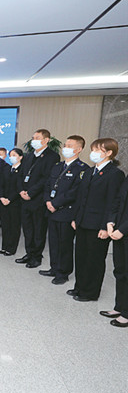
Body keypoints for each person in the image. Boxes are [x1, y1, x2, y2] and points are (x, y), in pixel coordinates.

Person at [68, 138, 124, 302]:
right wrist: (76, 218)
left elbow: (112, 202)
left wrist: (106, 227)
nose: (93, 153)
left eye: (98, 150)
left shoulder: (115, 174)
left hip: (99, 225)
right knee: (81, 256)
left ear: (109, 153)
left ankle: (90, 292)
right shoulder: (89, 171)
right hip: (83, 221)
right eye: (93, 149)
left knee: (94, 260)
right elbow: (80, 197)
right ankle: (79, 287)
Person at [40, 136, 88, 285]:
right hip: (52, 210)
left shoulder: (82, 169)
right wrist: (48, 201)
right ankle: (54, 268)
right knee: (53, 242)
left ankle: (63, 272)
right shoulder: (57, 166)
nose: (65, 148)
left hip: (66, 212)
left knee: (64, 244)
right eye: (65, 145)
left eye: (70, 145)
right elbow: (48, 185)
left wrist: (55, 203)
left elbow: (75, 192)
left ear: (79, 149)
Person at [16, 129, 60, 269]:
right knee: (27, 229)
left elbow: (46, 178)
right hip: (24, 199)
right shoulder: (28, 156)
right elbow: (21, 175)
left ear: (46, 140)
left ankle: (36, 257)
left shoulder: (52, 156)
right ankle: (29, 253)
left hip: (38, 200)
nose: (33, 140)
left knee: (38, 230)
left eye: (37, 138)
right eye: (33, 137)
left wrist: (31, 192)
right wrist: (21, 191)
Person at [104, 175, 128, 328]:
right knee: (120, 271)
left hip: (123, 231)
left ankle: (126, 313)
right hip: (118, 231)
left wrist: (123, 230)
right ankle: (119, 307)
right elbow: (118, 200)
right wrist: (111, 221)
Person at [0, 148, 24, 256]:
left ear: (20, 157)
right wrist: (1, 197)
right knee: (5, 225)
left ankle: (11, 248)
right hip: (3, 201)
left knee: (14, 226)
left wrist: (10, 199)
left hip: (15, 202)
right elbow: (0, 184)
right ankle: (4, 246)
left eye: (14, 155)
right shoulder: (7, 169)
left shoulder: (23, 170)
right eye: (10, 155)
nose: (11, 157)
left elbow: (20, 188)